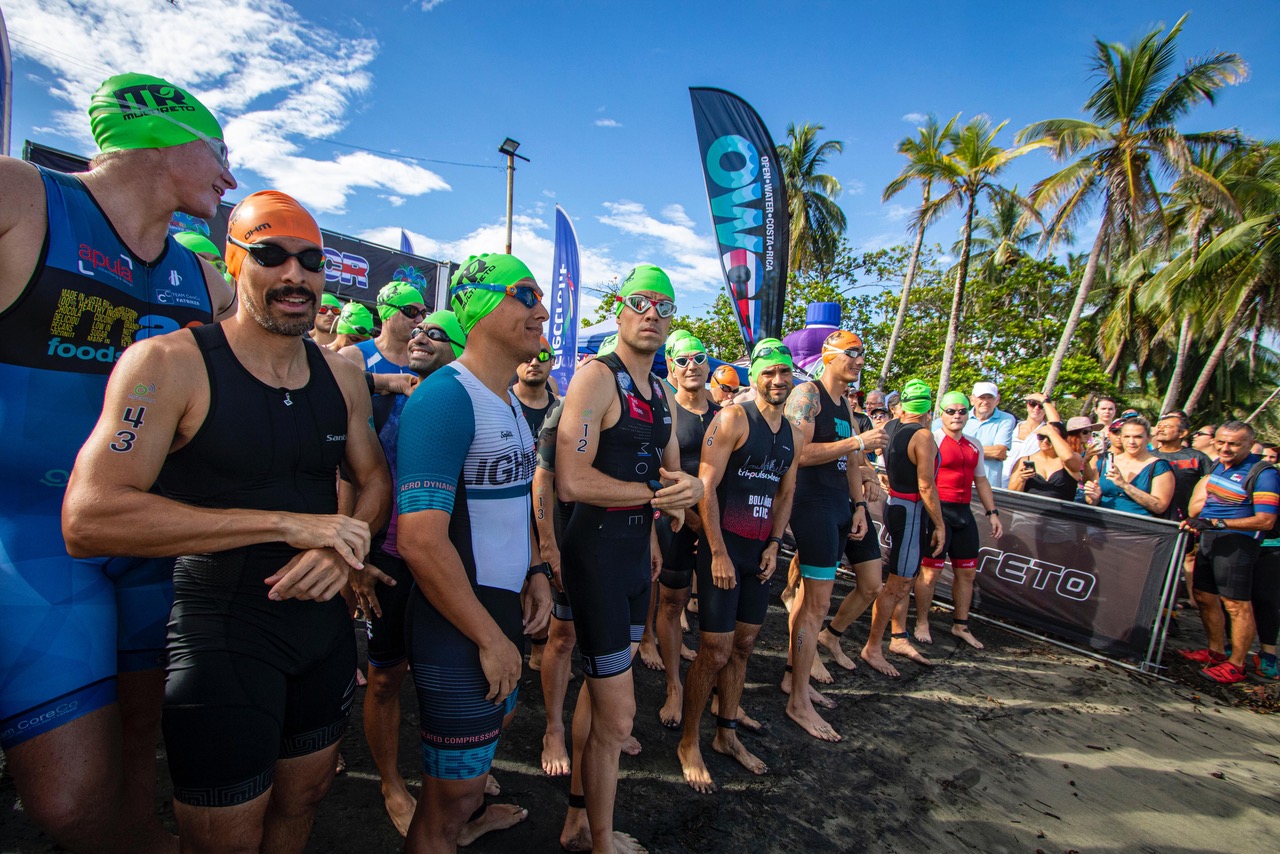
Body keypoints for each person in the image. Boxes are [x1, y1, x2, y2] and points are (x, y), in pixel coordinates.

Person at [62, 190, 390, 852]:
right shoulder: (170, 364)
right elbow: (90, 517)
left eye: (311, 260)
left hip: (322, 631)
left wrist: (339, 551)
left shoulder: (343, 376)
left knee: (306, 796)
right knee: (225, 835)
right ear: (234, 264)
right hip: (224, 630)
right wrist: (287, 525)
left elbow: (374, 477)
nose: (294, 275)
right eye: (271, 255)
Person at [0, 71, 237, 852]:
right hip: (31, 540)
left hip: (146, 541)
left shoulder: (203, 280)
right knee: (68, 801)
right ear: (164, 138)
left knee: (142, 744)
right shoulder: (23, 198)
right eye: (218, 151)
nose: (229, 176)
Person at [395, 253, 553, 852]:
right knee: (449, 798)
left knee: (490, 743)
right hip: (457, 623)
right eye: (525, 294)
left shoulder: (508, 401)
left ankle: (466, 825)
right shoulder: (445, 398)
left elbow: (512, 503)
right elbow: (419, 539)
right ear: (480, 306)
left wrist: (536, 569)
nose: (540, 309)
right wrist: (488, 638)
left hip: (500, 609)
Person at [555, 263, 702, 854]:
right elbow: (570, 479)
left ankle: (576, 819)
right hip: (592, 557)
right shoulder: (597, 379)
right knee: (619, 720)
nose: (651, 314)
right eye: (640, 302)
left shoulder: (661, 392)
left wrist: (686, 491)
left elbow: (673, 474)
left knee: (597, 696)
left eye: (663, 307)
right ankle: (600, 841)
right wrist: (657, 497)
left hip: (634, 564)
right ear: (619, 309)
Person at [356, 309, 467, 836]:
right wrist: (357, 557)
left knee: (449, 680)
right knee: (384, 680)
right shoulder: (385, 398)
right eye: (418, 330)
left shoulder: (471, 403)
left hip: (449, 562)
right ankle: (389, 782)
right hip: (392, 559)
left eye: (436, 333)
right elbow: (354, 476)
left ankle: (452, 782)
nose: (420, 337)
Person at [677, 340, 799, 793]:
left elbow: (785, 494)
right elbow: (704, 488)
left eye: (784, 373)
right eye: (768, 372)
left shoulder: (794, 434)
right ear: (756, 376)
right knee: (714, 650)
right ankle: (689, 741)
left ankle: (725, 732)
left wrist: (773, 546)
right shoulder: (733, 418)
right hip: (723, 551)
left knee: (745, 646)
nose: (777, 380)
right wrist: (718, 551)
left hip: (758, 553)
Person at [781, 330, 877, 742]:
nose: (858, 361)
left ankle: (795, 681)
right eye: (851, 354)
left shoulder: (846, 406)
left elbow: (853, 463)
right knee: (816, 604)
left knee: (816, 602)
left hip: (839, 505)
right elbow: (798, 454)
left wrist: (859, 507)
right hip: (812, 504)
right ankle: (797, 698)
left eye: (861, 354)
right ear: (828, 355)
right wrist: (855, 441)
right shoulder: (809, 394)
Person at [1179, 422, 1280, 684]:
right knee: (1204, 596)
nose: (1225, 448)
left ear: (1249, 444)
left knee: (1236, 605)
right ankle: (1215, 651)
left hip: (1238, 545)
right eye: (1221, 442)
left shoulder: (1264, 473)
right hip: (1210, 539)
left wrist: (1218, 524)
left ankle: (1236, 664)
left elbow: (1265, 520)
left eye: (1233, 444)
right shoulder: (1218, 465)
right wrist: (1199, 520)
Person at [655, 334, 719, 728]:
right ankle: (674, 686)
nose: (691, 365)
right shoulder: (665, 413)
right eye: (681, 360)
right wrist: (692, 517)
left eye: (698, 357)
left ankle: (718, 691)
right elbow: (661, 474)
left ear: (708, 364)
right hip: (678, 521)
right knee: (672, 604)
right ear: (672, 368)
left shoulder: (725, 414)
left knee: (716, 611)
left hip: (715, 522)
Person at [861, 380, 945, 678]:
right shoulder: (923, 435)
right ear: (929, 407)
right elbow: (925, 484)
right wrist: (939, 523)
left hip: (897, 506)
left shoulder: (892, 426)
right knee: (897, 584)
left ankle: (898, 637)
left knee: (904, 580)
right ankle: (873, 647)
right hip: (911, 512)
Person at [910, 390, 1004, 650]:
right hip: (937, 513)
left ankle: (960, 624)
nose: (957, 416)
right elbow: (924, 480)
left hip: (963, 513)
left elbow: (981, 479)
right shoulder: (933, 440)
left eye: (962, 411)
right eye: (951, 411)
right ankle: (921, 622)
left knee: (967, 573)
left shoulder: (974, 444)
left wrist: (992, 513)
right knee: (931, 573)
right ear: (941, 413)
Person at [1084, 417, 1174, 517]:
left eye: (1138, 437)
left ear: (1148, 438)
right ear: (1121, 438)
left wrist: (1124, 485)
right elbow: (1091, 501)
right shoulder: (1105, 462)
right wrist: (1094, 497)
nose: (1131, 442)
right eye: (1126, 436)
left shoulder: (1159, 466)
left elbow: (1160, 507)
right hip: (1103, 525)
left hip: (1138, 527)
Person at [340, 280, 425, 378]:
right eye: (412, 311)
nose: (420, 319)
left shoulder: (425, 360)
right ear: (388, 313)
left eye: (423, 313)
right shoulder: (353, 356)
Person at [1008, 418, 1085, 502]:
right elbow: (1011, 494)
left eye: (1049, 437)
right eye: (1041, 436)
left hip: (1061, 513)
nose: (1045, 441)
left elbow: (1068, 457)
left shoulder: (1072, 459)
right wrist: (1021, 479)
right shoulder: (1024, 460)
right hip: (1029, 510)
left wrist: (1050, 432)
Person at [964, 381, 1017, 488]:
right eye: (982, 397)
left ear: (997, 400)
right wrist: (986, 452)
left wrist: (961, 450)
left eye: (990, 397)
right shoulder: (960, 416)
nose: (986, 401)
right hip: (960, 484)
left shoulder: (1006, 419)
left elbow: (999, 452)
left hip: (989, 487)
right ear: (972, 400)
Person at [512, 335, 559, 438]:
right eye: (527, 357)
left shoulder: (558, 406)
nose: (534, 363)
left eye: (543, 356)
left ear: (552, 362)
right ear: (515, 360)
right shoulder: (501, 402)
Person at [1003, 392, 1050, 486]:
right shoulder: (1012, 426)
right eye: (1032, 404)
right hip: (1000, 480)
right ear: (1027, 405)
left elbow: (1055, 421)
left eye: (1041, 405)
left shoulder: (1048, 432)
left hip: (1025, 485)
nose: (1036, 408)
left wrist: (1044, 401)